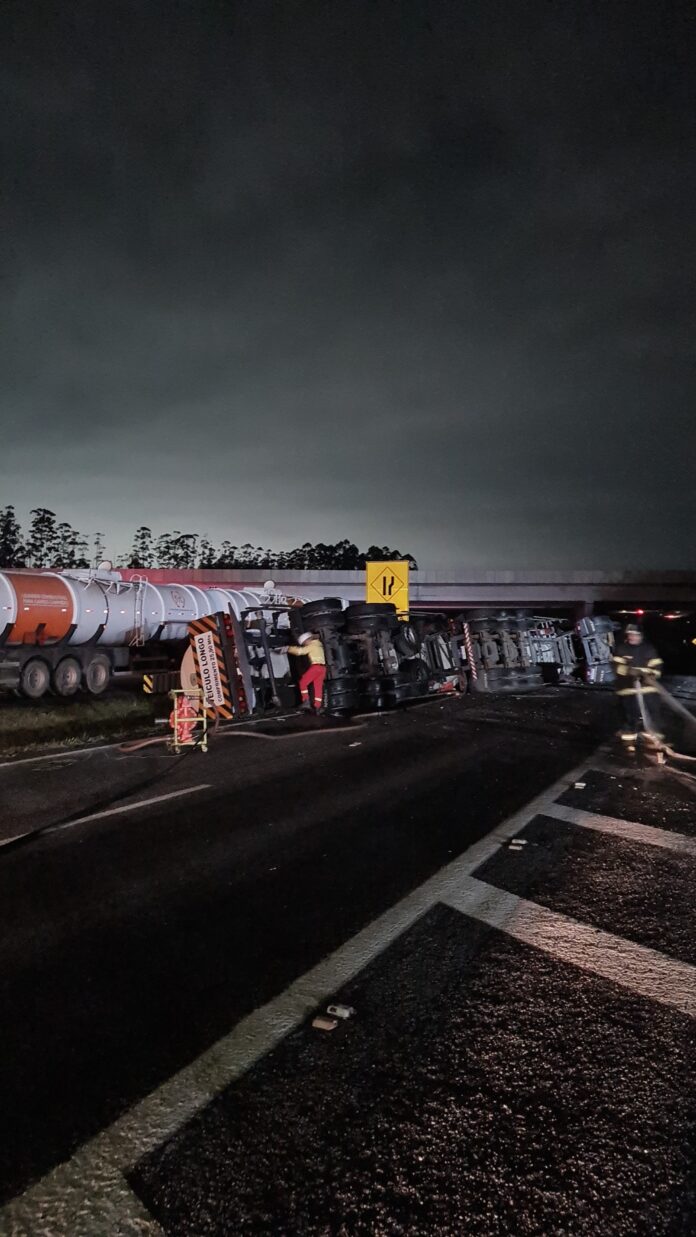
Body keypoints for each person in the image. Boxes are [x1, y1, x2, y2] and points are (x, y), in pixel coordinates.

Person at [612, 623, 663, 753]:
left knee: (652, 713)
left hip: (648, 689)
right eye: (630, 635)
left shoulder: (648, 649)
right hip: (628, 689)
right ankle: (629, 741)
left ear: (641, 636)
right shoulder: (622, 649)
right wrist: (630, 672)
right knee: (631, 716)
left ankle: (653, 740)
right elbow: (617, 666)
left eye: (635, 635)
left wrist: (651, 675)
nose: (632, 637)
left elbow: (657, 666)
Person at [286, 631, 326, 712]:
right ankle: (318, 707)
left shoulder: (312, 645)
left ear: (308, 640)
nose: (305, 644)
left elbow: (301, 651)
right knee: (317, 687)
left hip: (316, 667)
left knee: (302, 682)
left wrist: (288, 648)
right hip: (322, 668)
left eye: (304, 643)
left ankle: (306, 701)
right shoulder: (318, 644)